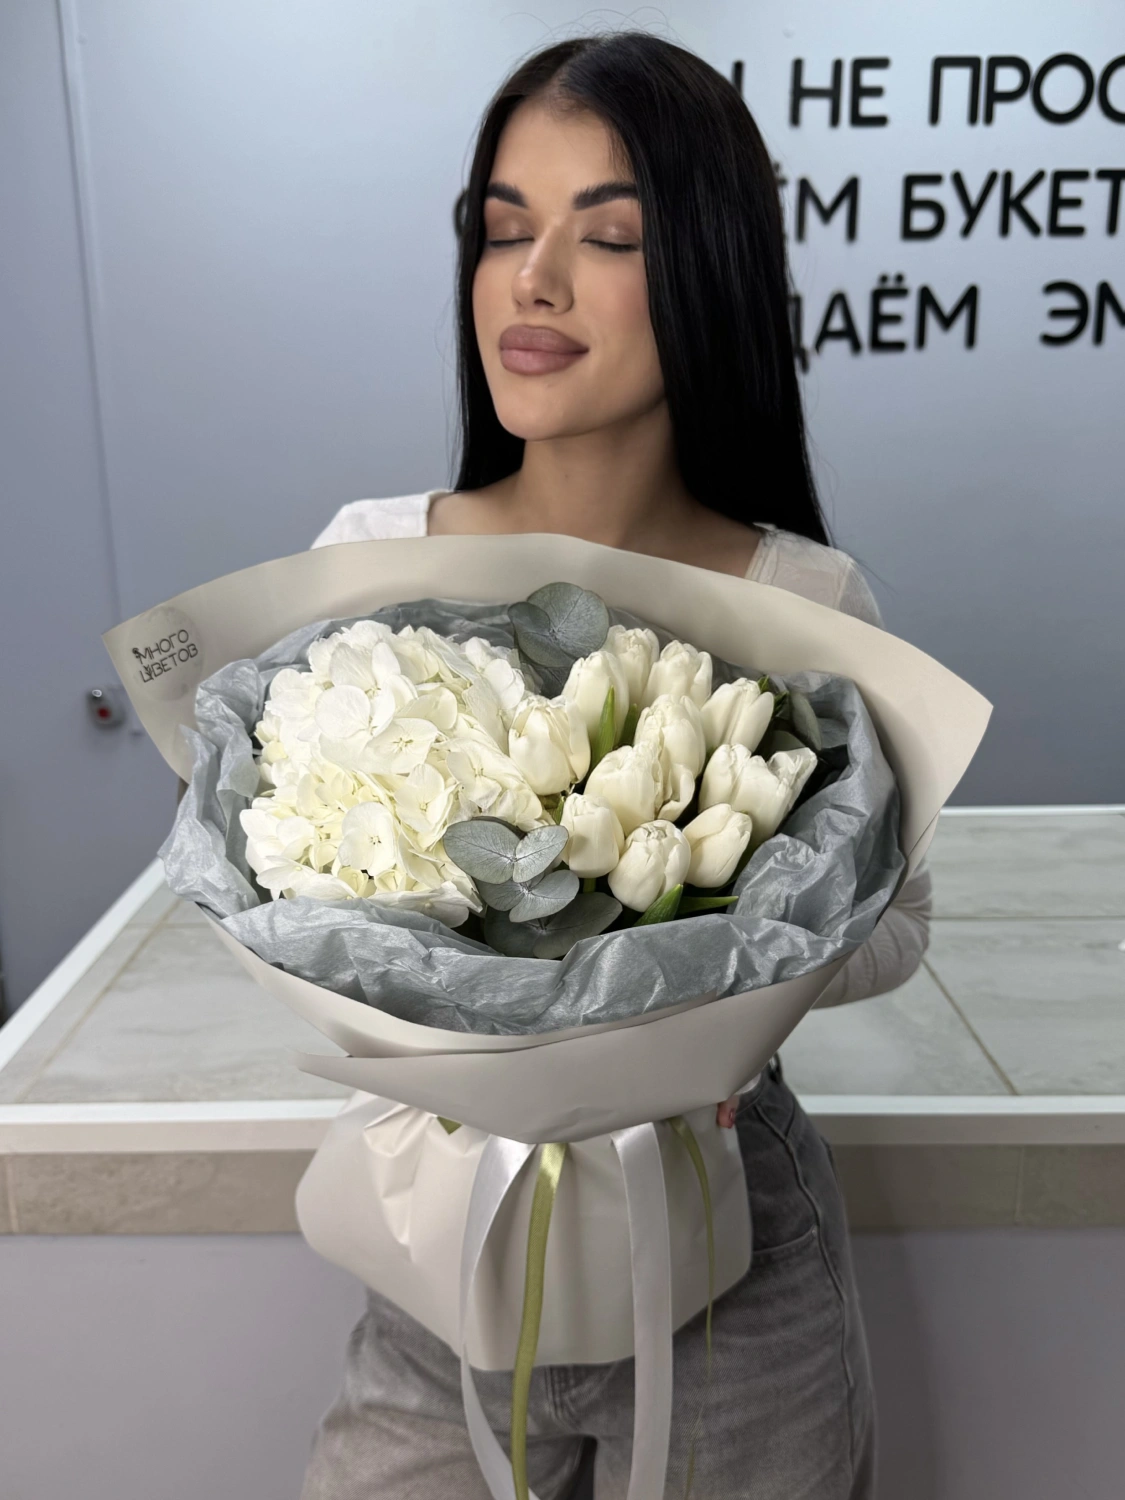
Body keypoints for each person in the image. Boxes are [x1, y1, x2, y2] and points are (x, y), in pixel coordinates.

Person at [299, 31, 931, 1500]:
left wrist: (686, 963)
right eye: (502, 228)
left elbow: (898, 928)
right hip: (446, 1219)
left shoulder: (803, 599)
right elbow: (274, 891)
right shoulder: (369, 562)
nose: (532, 281)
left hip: (722, 1230)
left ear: (706, 271)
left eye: (609, 237)